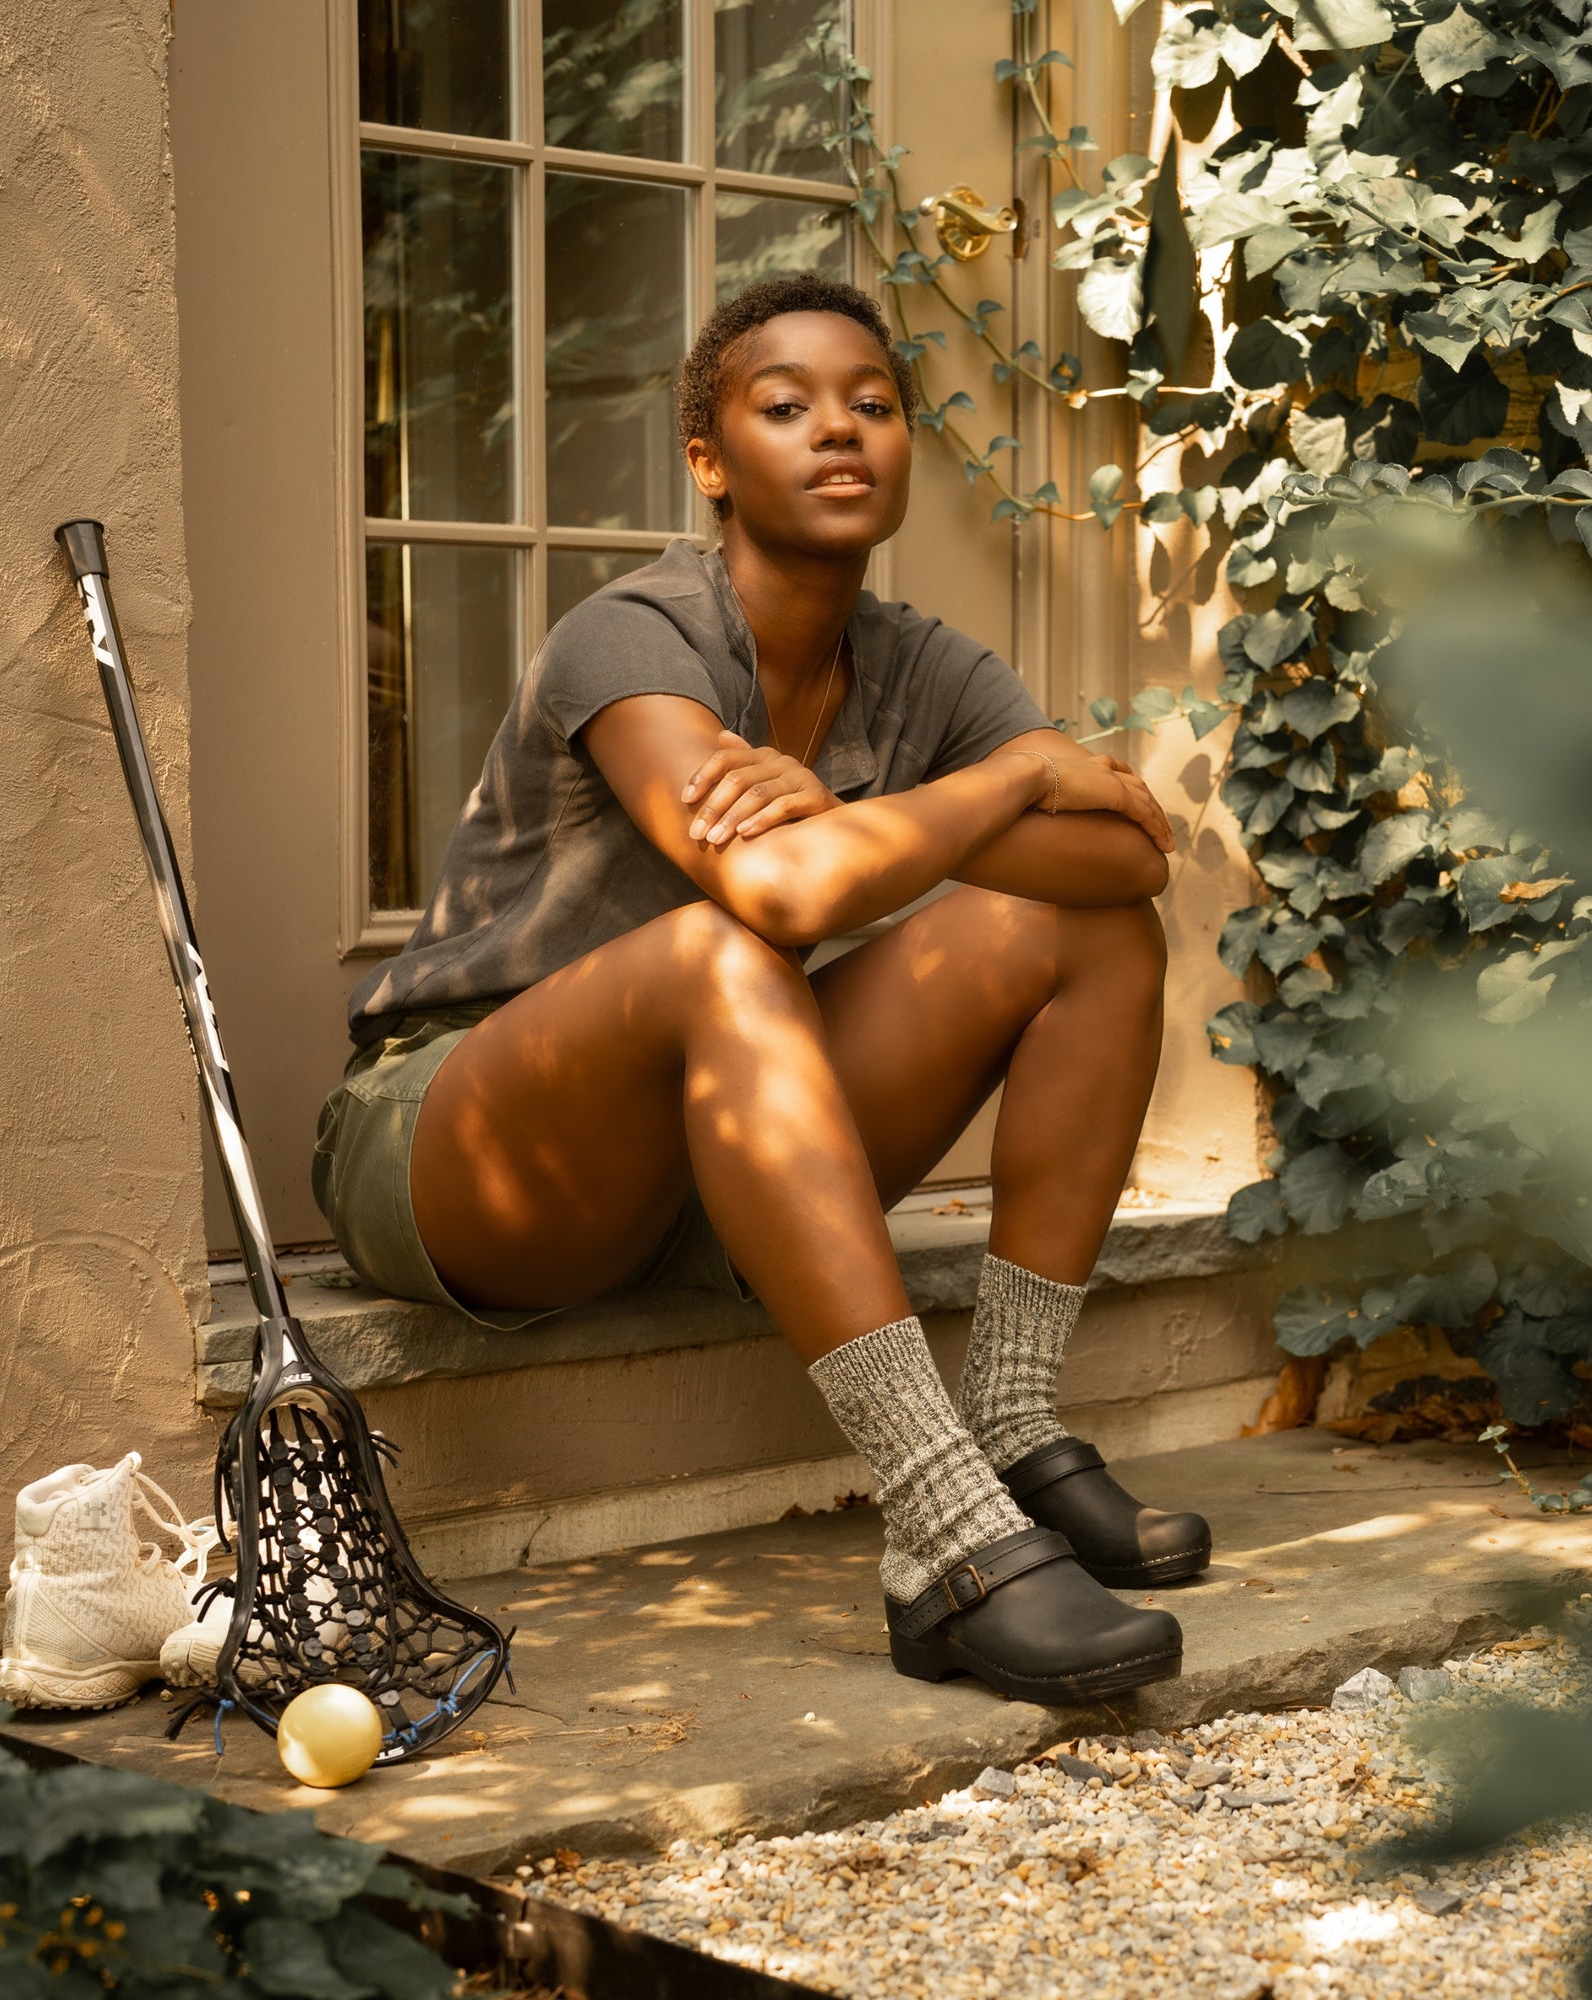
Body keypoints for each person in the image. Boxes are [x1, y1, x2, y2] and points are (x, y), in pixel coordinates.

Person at [313, 274, 1210, 1704]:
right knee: (726, 951)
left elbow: (1126, 862)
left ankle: (1012, 1431)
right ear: (710, 462)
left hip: (717, 1153)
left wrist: (930, 793)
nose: (839, 432)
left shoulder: (920, 666)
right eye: (785, 407)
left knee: (1084, 937)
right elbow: (783, 900)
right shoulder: (634, 638)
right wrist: (1016, 776)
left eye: (873, 405)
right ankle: (944, 1533)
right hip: (464, 1140)